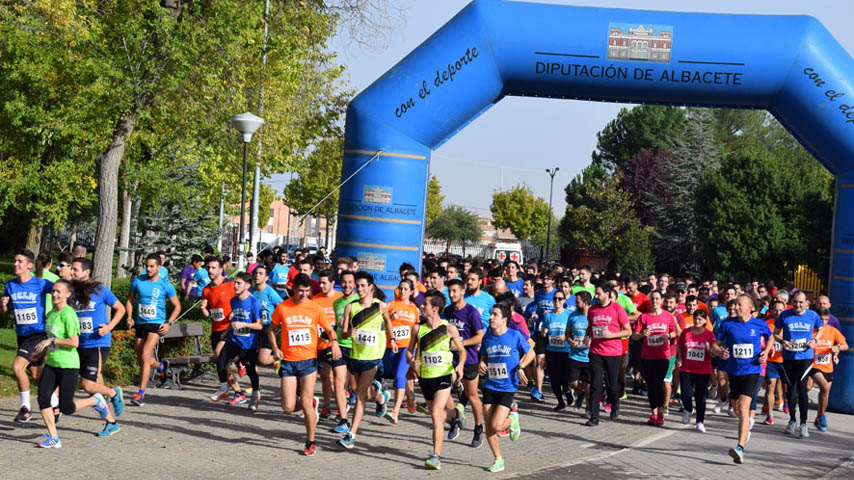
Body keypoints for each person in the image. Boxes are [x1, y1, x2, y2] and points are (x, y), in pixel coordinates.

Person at [32, 279, 114, 448]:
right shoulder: (52, 313)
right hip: (52, 363)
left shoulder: (69, 314)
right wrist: (40, 352)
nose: (54, 294)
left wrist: (51, 341)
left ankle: (96, 400)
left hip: (68, 365)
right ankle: (54, 437)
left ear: (68, 294)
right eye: (53, 291)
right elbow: (51, 340)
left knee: (66, 407)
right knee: (42, 398)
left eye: (58, 292)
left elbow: (74, 342)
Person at [269, 273, 340, 456]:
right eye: (301, 291)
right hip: (288, 361)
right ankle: (312, 405)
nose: (304, 294)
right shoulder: (283, 307)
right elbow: (271, 330)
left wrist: (335, 343)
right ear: (293, 289)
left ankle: (310, 441)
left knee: (306, 402)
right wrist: (275, 348)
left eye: (307, 291)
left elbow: (330, 330)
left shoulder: (314, 308)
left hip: (308, 360)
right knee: (288, 407)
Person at [406, 289, 467, 470]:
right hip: (426, 378)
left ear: (435, 308)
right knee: (439, 416)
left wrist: (460, 365)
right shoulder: (418, 328)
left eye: (425, 304)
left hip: (443, 376)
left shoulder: (448, 328)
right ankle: (456, 413)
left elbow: (462, 350)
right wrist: (411, 360)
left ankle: (436, 456)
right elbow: (409, 351)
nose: (421, 307)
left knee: (435, 416)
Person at [338, 272, 396, 450]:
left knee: (360, 395)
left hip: (373, 358)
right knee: (356, 389)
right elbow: (344, 332)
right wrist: (348, 333)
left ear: (371, 287)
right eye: (358, 286)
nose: (360, 289)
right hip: (356, 355)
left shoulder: (381, 306)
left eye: (363, 286)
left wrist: (392, 339)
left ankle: (351, 434)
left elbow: (388, 323)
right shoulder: (351, 307)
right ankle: (380, 396)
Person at [70, 258, 126, 435]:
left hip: (98, 343)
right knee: (94, 386)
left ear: (86, 273)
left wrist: (109, 327)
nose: (72, 273)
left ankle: (115, 393)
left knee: (87, 384)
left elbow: (121, 309)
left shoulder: (100, 290)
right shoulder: (72, 293)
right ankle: (111, 422)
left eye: (75, 270)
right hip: (80, 344)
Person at [716, 294, 773, 464]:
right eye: (735, 305)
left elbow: (770, 337)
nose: (736, 307)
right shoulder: (727, 324)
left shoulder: (759, 324)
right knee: (736, 408)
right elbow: (714, 344)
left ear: (750, 308)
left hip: (752, 370)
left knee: (743, 405)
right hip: (734, 371)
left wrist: (766, 352)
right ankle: (746, 425)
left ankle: (740, 448)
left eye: (740, 305)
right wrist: (720, 352)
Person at [1, 249, 55, 423]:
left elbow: (62, 293)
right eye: (15, 261)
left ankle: (25, 408)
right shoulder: (10, 285)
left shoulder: (41, 284)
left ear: (29, 266)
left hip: (38, 335)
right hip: (22, 335)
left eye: (20, 261)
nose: (15, 264)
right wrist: (3, 305)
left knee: (17, 367)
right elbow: (4, 311)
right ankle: (55, 403)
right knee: (36, 375)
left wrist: (56, 314)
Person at [479, 303, 534, 473]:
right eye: (491, 314)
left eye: (495, 315)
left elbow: (530, 352)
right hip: (490, 384)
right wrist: (481, 363)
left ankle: (513, 420)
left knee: (496, 425)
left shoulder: (515, 335)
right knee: (488, 426)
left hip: (507, 387)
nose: (491, 317)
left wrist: (520, 366)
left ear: (504, 319)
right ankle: (498, 460)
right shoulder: (487, 337)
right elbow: (483, 355)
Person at [125, 253, 181, 406]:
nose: (148, 269)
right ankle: (160, 366)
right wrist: (129, 317)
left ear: (159, 267)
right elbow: (129, 301)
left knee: (144, 355)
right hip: (141, 323)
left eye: (151, 266)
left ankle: (140, 394)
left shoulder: (165, 285)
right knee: (141, 359)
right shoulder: (138, 281)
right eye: (146, 266)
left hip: (156, 324)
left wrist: (169, 323)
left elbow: (177, 306)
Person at [775, 291, 824, 438]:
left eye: (801, 302)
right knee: (791, 389)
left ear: (806, 303)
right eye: (795, 302)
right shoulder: (785, 315)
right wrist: (782, 341)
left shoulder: (812, 316)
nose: (798, 305)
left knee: (802, 388)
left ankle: (803, 423)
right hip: (789, 357)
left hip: (805, 356)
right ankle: (792, 421)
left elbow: (821, 328)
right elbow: (775, 333)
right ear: (792, 301)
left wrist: (814, 340)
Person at [443, 277, 485, 445]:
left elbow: (479, 336)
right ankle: (455, 419)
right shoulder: (447, 311)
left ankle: (478, 427)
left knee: (472, 395)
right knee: (445, 391)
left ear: (462, 292)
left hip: (469, 359)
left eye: (454, 291)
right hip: (449, 359)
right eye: (449, 291)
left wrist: (461, 343)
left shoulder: (471, 312)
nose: (452, 294)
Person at [585, 284, 631, 426]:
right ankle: (594, 417)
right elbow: (590, 326)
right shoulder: (592, 310)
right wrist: (587, 336)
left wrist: (612, 335)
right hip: (596, 352)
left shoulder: (618, 309)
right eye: (595, 294)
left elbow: (628, 331)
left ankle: (615, 403)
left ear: (607, 294)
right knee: (595, 385)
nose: (596, 297)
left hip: (613, 352)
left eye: (598, 294)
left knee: (612, 385)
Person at [215, 272, 263, 408]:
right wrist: (228, 330)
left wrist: (244, 325)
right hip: (234, 340)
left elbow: (259, 325)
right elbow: (237, 319)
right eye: (235, 282)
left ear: (247, 286)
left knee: (251, 370)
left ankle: (255, 393)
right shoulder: (234, 301)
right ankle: (224, 388)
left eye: (238, 283)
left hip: (248, 344)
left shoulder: (254, 303)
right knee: (221, 359)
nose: (235, 285)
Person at [632, 290, 677, 426]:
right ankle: (654, 414)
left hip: (663, 355)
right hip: (647, 356)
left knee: (658, 383)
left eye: (657, 298)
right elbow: (634, 335)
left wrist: (668, 336)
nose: (655, 301)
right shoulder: (643, 317)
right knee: (651, 385)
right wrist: (642, 334)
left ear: (661, 300)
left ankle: (661, 413)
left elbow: (674, 332)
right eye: (652, 299)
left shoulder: (668, 316)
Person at [202, 256, 243, 402]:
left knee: (220, 355)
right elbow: (208, 314)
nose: (210, 271)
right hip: (216, 329)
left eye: (213, 268)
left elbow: (242, 300)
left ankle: (224, 386)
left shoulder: (231, 285)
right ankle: (238, 392)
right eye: (208, 268)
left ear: (221, 269)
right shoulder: (206, 290)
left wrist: (235, 312)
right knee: (222, 362)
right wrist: (203, 309)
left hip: (228, 328)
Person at [383, 278, 419, 423]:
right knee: (392, 375)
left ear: (411, 291)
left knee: (399, 376)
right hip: (390, 347)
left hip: (406, 347)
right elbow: (380, 324)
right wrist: (390, 318)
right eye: (401, 288)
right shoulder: (390, 305)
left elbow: (417, 330)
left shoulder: (415, 309)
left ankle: (395, 411)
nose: (402, 291)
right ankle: (409, 393)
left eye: (406, 289)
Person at [312, 270, 345, 422]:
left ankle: (340, 408)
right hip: (320, 343)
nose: (321, 285)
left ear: (333, 283)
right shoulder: (315, 300)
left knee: (335, 378)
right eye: (320, 282)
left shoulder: (340, 299)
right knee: (325, 376)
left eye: (325, 283)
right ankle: (326, 405)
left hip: (336, 344)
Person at [810, 306, 848, 432]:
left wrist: (837, 348)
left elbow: (845, 345)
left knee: (825, 393)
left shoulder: (832, 331)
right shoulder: (811, 330)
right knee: (824, 387)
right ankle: (822, 417)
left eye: (826, 319)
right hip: (814, 365)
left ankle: (820, 415)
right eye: (821, 319)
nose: (824, 322)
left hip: (828, 366)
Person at [676, 309, 715, 432]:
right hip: (687, 368)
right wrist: (680, 358)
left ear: (705, 321)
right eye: (695, 318)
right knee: (686, 394)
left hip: (703, 370)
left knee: (700, 397)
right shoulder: (686, 333)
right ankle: (688, 409)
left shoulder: (709, 335)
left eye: (700, 319)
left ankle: (699, 422)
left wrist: (709, 349)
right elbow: (679, 346)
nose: (697, 321)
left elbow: (714, 353)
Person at [332, 269, 360, 433]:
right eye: (344, 282)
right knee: (338, 383)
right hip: (341, 346)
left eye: (350, 282)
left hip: (356, 348)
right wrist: (334, 340)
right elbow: (336, 325)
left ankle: (379, 396)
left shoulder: (359, 301)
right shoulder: (337, 303)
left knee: (356, 388)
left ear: (355, 284)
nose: (346, 285)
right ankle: (344, 420)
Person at [249, 265, 284, 371]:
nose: (257, 276)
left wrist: (279, 324)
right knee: (251, 357)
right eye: (256, 273)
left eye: (261, 274)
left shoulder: (271, 293)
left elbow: (283, 307)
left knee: (263, 360)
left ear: (266, 277)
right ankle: (254, 385)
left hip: (268, 327)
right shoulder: (251, 291)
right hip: (254, 326)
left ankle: (280, 357)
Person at [542, 292, 572, 410]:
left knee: (564, 377)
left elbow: (572, 331)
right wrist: (544, 332)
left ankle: (567, 391)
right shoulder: (548, 315)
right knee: (553, 378)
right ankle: (560, 401)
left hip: (565, 350)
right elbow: (544, 329)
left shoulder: (569, 315)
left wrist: (566, 336)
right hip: (551, 349)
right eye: (555, 299)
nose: (557, 301)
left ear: (564, 301)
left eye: (560, 299)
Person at [566, 291, 592, 414]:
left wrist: (592, 342)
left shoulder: (593, 315)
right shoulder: (572, 316)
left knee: (588, 385)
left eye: (577, 302)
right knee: (572, 383)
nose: (575, 304)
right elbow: (567, 333)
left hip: (589, 356)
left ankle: (588, 407)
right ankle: (579, 393)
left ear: (585, 303)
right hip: (574, 355)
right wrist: (570, 341)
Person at [763, 299, 788, 425]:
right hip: (771, 360)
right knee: (770, 386)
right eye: (775, 310)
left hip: (786, 360)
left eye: (781, 310)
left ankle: (785, 400)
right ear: (771, 310)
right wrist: (768, 348)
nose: (778, 313)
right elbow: (762, 340)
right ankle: (770, 415)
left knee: (786, 387)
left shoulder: (789, 322)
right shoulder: (767, 324)